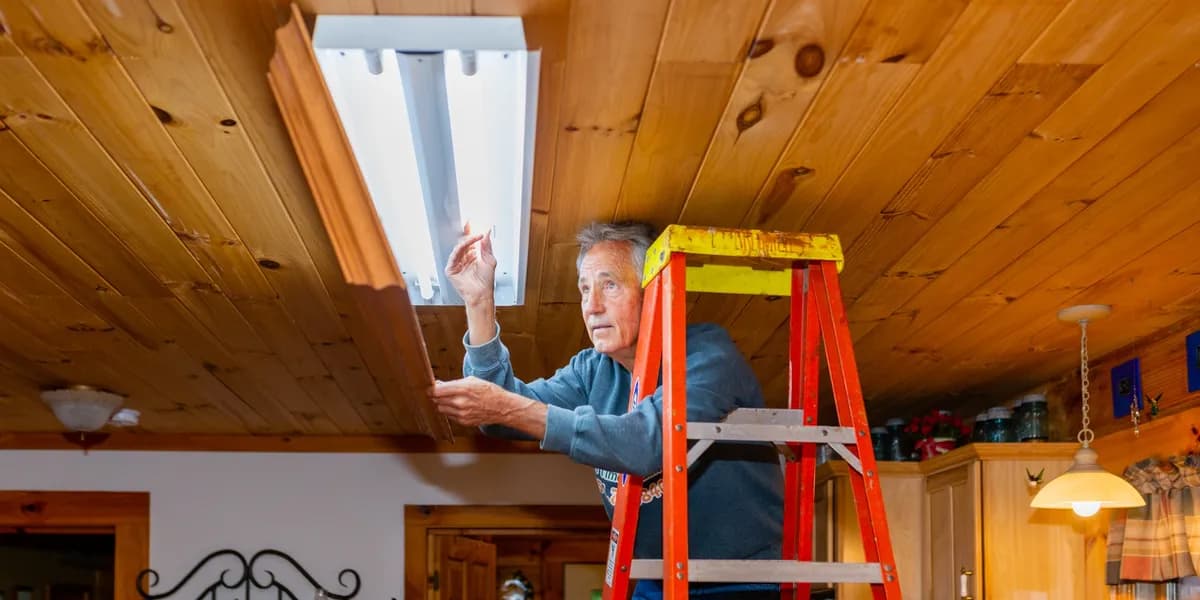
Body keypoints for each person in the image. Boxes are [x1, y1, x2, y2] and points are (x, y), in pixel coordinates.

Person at [430, 221, 785, 599]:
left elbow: (648, 443)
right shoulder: (592, 369)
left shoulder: (706, 354)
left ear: (654, 291)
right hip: (659, 579)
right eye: (585, 289)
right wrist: (479, 303)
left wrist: (507, 408)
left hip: (741, 581)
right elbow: (500, 418)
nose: (592, 305)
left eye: (610, 285)